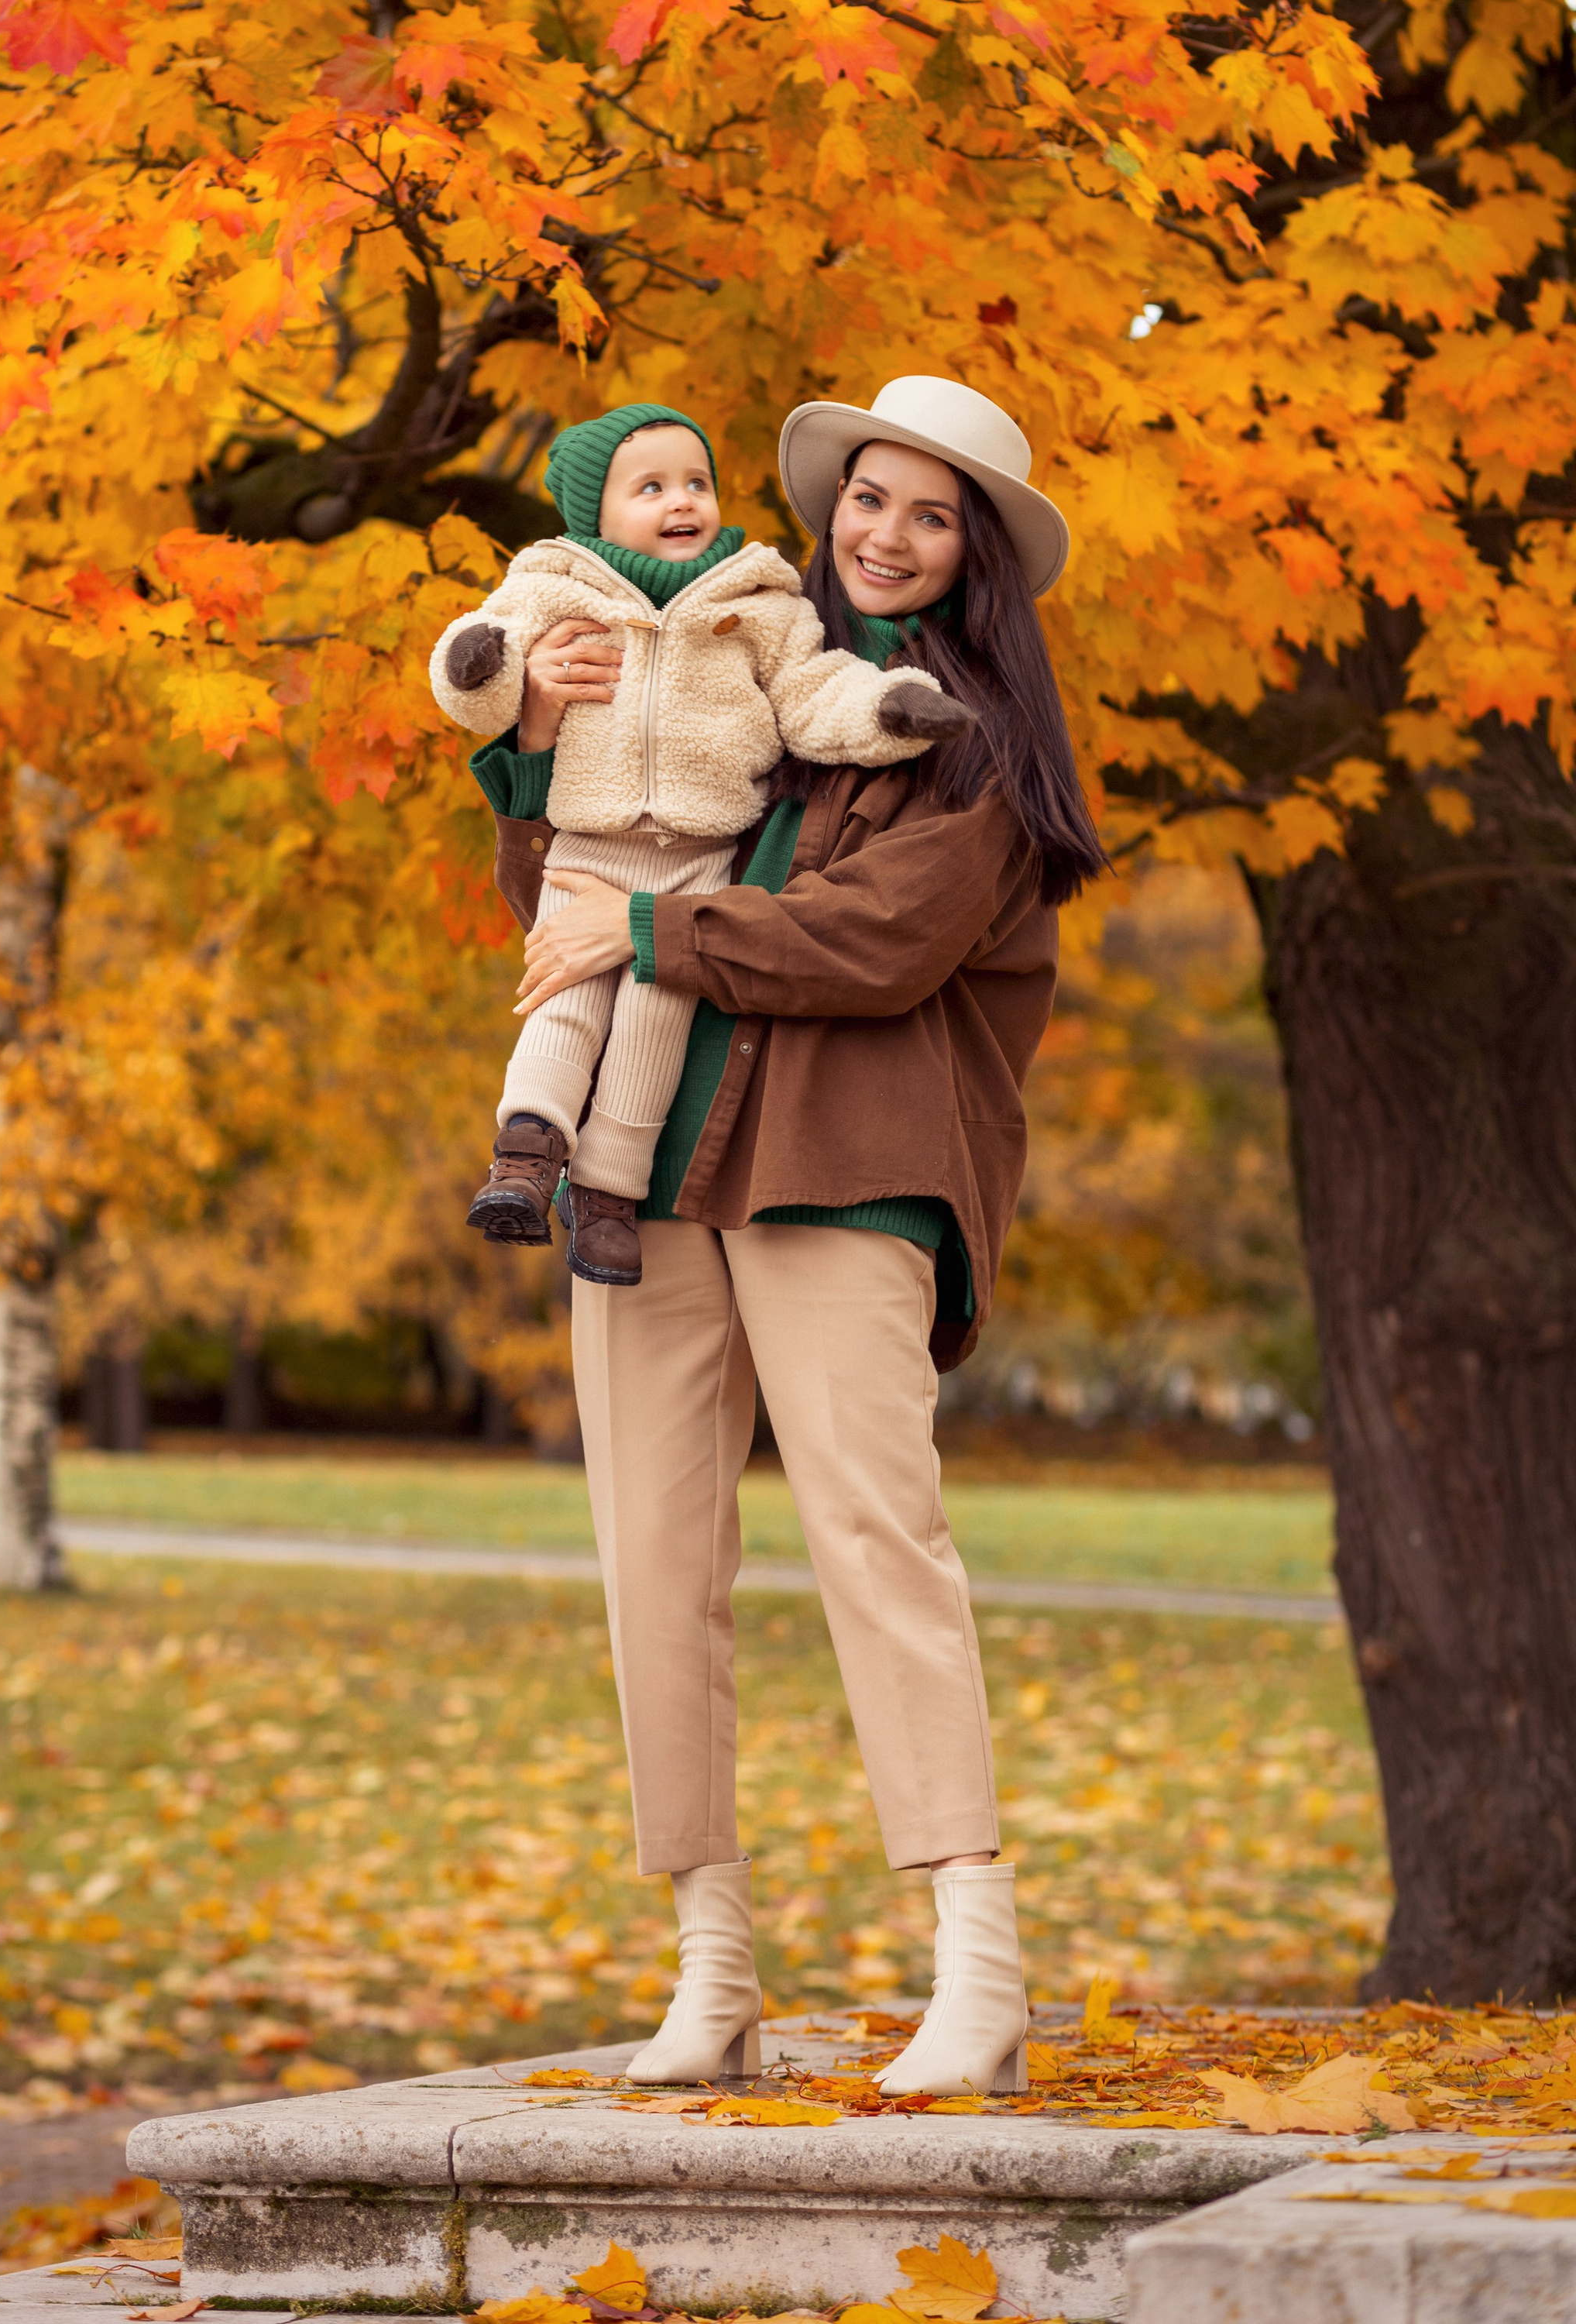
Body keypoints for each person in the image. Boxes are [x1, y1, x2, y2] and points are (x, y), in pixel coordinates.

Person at [467, 375, 1104, 2096]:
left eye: (928, 513)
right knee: (650, 1562)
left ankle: (976, 1964)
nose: (882, 535)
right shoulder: (737, 663)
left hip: (849, 1163)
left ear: (975, 558)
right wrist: (533, 736)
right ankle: (712, 1965)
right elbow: (570, 889)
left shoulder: (947, 732)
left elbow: (871, 940)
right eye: (866, 501)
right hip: (640, 1166)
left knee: (875, 1546)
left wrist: (652, 927)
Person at [430, 402, 968, 1286]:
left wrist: (893, 707)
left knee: (649, 1024)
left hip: (695, 867)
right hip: (586, 836)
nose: (683, 501)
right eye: (651, 487)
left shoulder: (756, 600)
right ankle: (525, 1156)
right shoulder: (555, 587)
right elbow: (480, 649)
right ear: (592, 515)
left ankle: (605, 1198)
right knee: (565, 998)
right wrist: (507, 689)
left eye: (697, 483)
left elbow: (815, 693)